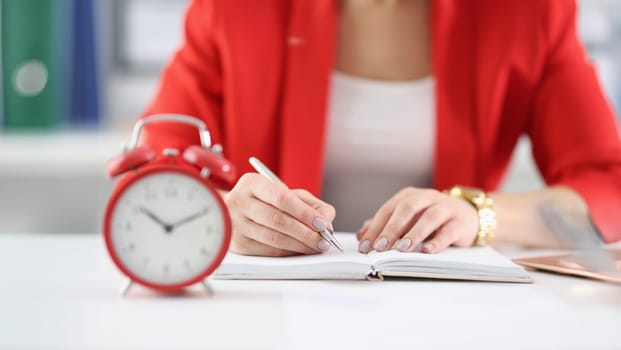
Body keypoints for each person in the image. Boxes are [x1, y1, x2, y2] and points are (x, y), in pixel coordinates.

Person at [140, 0, 621, 257]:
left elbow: (608, 185)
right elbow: (153, 175)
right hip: (268, 313)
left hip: (454, 316)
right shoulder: (233, 7)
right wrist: (223, 216)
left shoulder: (529, 11)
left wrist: (478, 214)